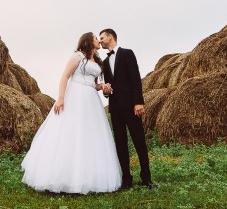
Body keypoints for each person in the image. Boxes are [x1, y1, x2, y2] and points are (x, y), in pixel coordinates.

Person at [21, 32, 122, 194]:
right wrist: (61, 98)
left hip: (91, 99)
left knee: (90, 134)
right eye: (96, 38)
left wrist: (101, 86)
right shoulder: (77, 56)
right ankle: (62, 177)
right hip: (75, 95)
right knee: (70, 131)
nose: (98, 41)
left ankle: (88, 177)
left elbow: (92, 83)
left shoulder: (96, 61)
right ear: (88, 41)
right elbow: (65, 76)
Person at [99, 28, 155, 189]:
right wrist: (106, 92)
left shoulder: (127, 53)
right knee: (120, 143)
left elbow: (136, 79)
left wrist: (139, 102)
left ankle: (146, 178)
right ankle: (127, 179)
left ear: (110, 37)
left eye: (102, 37)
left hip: (132, 106)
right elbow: (108, 86)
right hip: (115, 109)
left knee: (139, 141)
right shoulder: (104, 62)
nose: (100, 40)